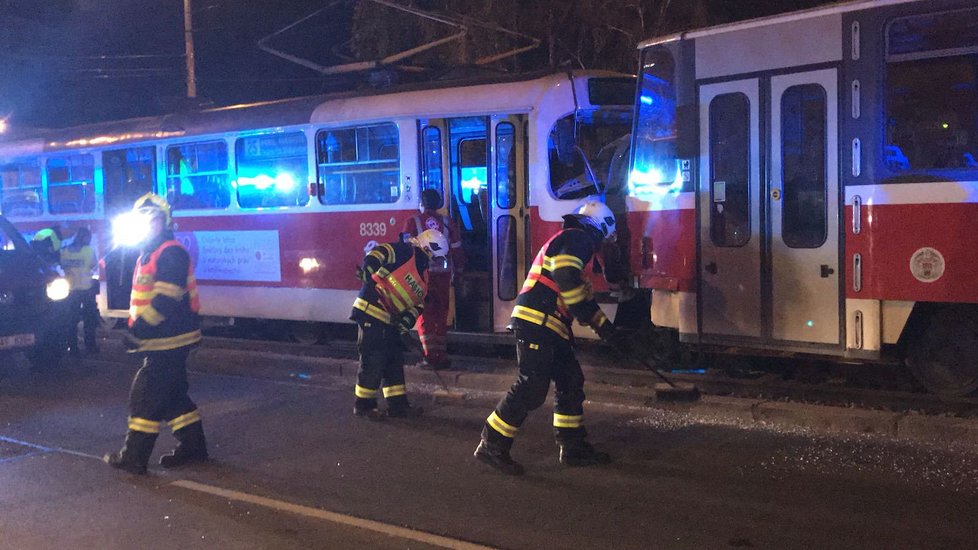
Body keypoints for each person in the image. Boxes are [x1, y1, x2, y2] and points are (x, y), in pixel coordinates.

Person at [473, 198, 626, 475]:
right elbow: (567, 279)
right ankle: (492, 443)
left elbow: (570, 288)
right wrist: (603, 326)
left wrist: (603, 325)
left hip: (550, 323)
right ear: (601, 227)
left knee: (570, 380)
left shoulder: (574, 239)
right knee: (531, 386)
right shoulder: (579, 238)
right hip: (537, 321)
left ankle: (572, 446)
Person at [104, 193, 208, 475]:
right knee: (173, 397)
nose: (147, 227)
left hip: (168, 340)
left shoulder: (170, 252)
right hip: (165, 339)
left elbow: (164, 300)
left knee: (144, 397)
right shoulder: (151, 253)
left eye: (152, 221)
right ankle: (194, 447)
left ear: (164, 222)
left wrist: (136, 332)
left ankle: (134, 457)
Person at [351, 228, 449, 419]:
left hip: (390, 321)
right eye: (436, 257)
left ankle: (397, 405)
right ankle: (363, 406)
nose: (434, 261)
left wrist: (405, 322)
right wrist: (369, 268)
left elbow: (417, 305)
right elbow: (379, 253)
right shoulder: (405, 251)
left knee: (393, 361)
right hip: (371, 311)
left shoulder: (424, 276)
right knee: (374, 360)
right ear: (430, 248)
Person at [401, 189, 465, 370]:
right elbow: (457, 250)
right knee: (440, 314)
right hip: (443, 276)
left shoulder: (412, 222)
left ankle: (429, 357)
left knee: (425, 316)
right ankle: (441, 355)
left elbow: (405, 249)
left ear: (422, 203)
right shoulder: (447, 222)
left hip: (423, 277)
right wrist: (459, 272)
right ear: (438, 204)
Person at [60, 227, 100, 356]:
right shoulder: (88, 251)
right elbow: (93, 265)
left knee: (71, 321)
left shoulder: (65, 251)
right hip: (87, 290)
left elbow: (63, 266)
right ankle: (91, 346)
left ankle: (73, 348)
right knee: (89, 320)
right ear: (86, 238)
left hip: (71, 290)